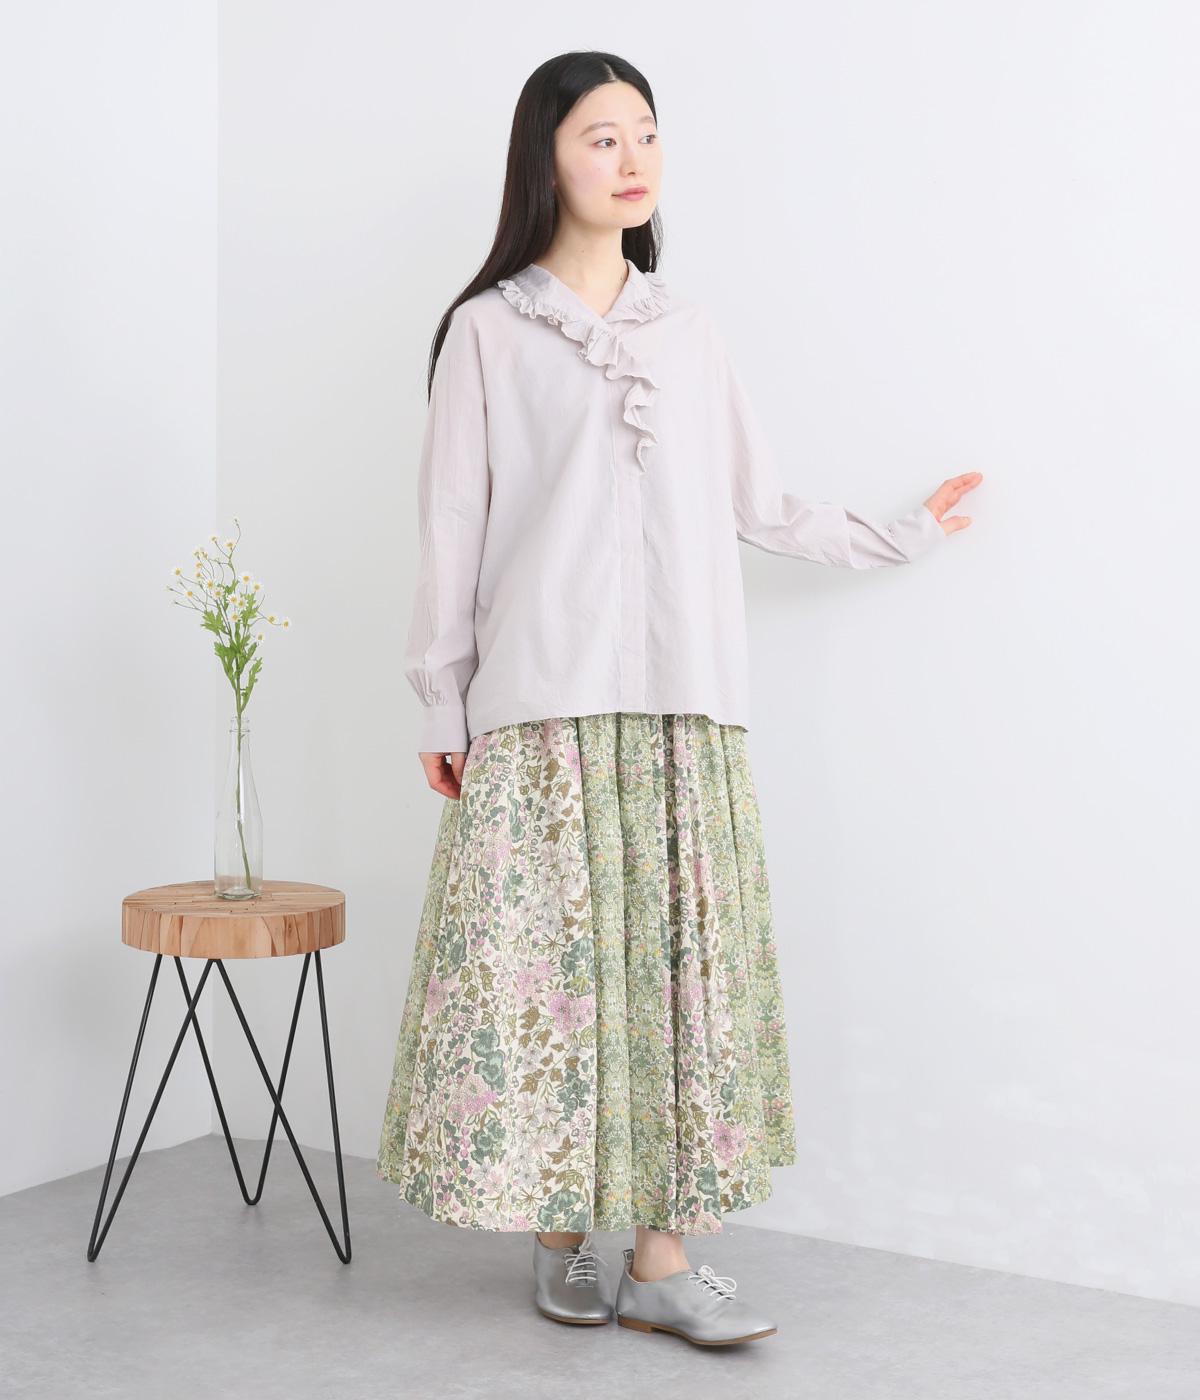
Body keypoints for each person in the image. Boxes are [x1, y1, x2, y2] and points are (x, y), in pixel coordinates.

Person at [376, 50, 980, 1348]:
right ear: (545, 160)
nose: (633, 158)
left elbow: (757, 503)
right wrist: (442, 703)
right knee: (550, 985)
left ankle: (661, 1259)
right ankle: (559, 1230)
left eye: (646, 132)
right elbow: (451, 531)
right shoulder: (486, 332)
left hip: (681, 704)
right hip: (538, 703)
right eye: (602, 137)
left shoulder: (689, 332)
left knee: (674, 985)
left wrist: (904, 532)